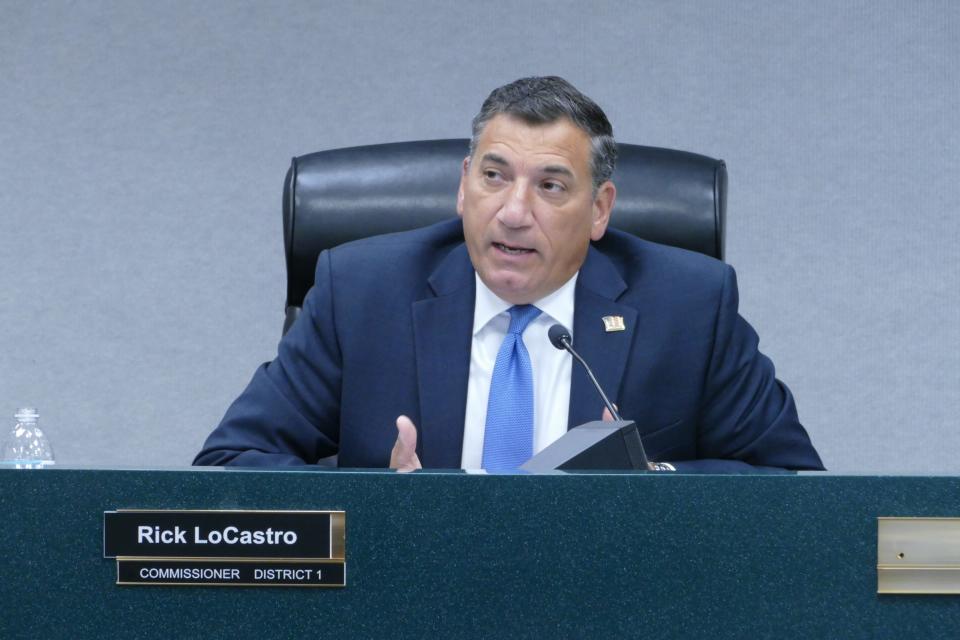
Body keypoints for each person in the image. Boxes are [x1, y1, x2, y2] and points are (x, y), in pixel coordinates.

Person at [194, 76, 823, 473]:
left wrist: (650, 489)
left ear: (599, 209)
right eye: (493, 178)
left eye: (551, 186)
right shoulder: (360, 290)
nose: (514, 212)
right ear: (463, 186)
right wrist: (381, 514)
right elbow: (233, 463)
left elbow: (794, 488)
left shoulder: (688, 306)